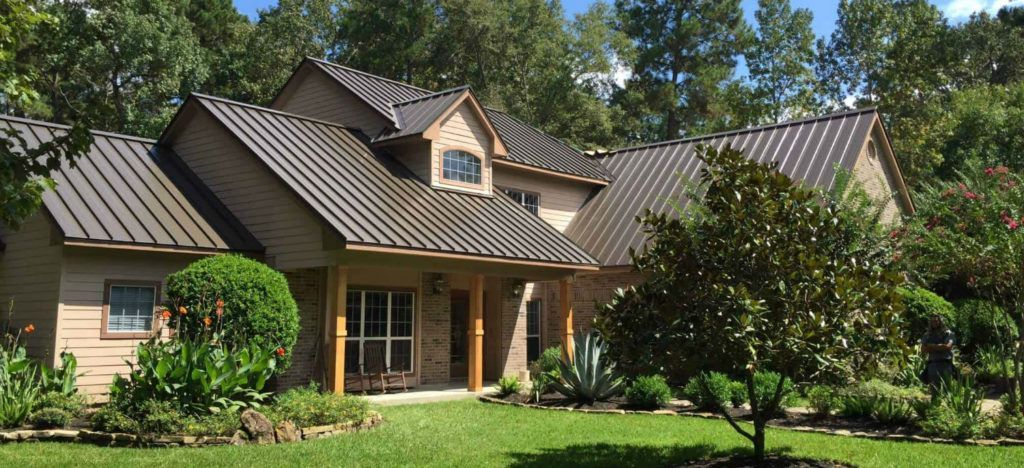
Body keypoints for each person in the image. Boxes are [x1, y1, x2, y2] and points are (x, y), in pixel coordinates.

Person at [920, 315, 956, 390]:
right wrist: (940, 346)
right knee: (934, 389)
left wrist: (931, 346)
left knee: (947, 389)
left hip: (945, 364)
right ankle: (934, 401)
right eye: (932, 321)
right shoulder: (927, 335)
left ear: (940, 322)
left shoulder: (948, 333)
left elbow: (948, 347)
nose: (934, 323)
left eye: (936, 321)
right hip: (932, 364)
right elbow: (923, 349)